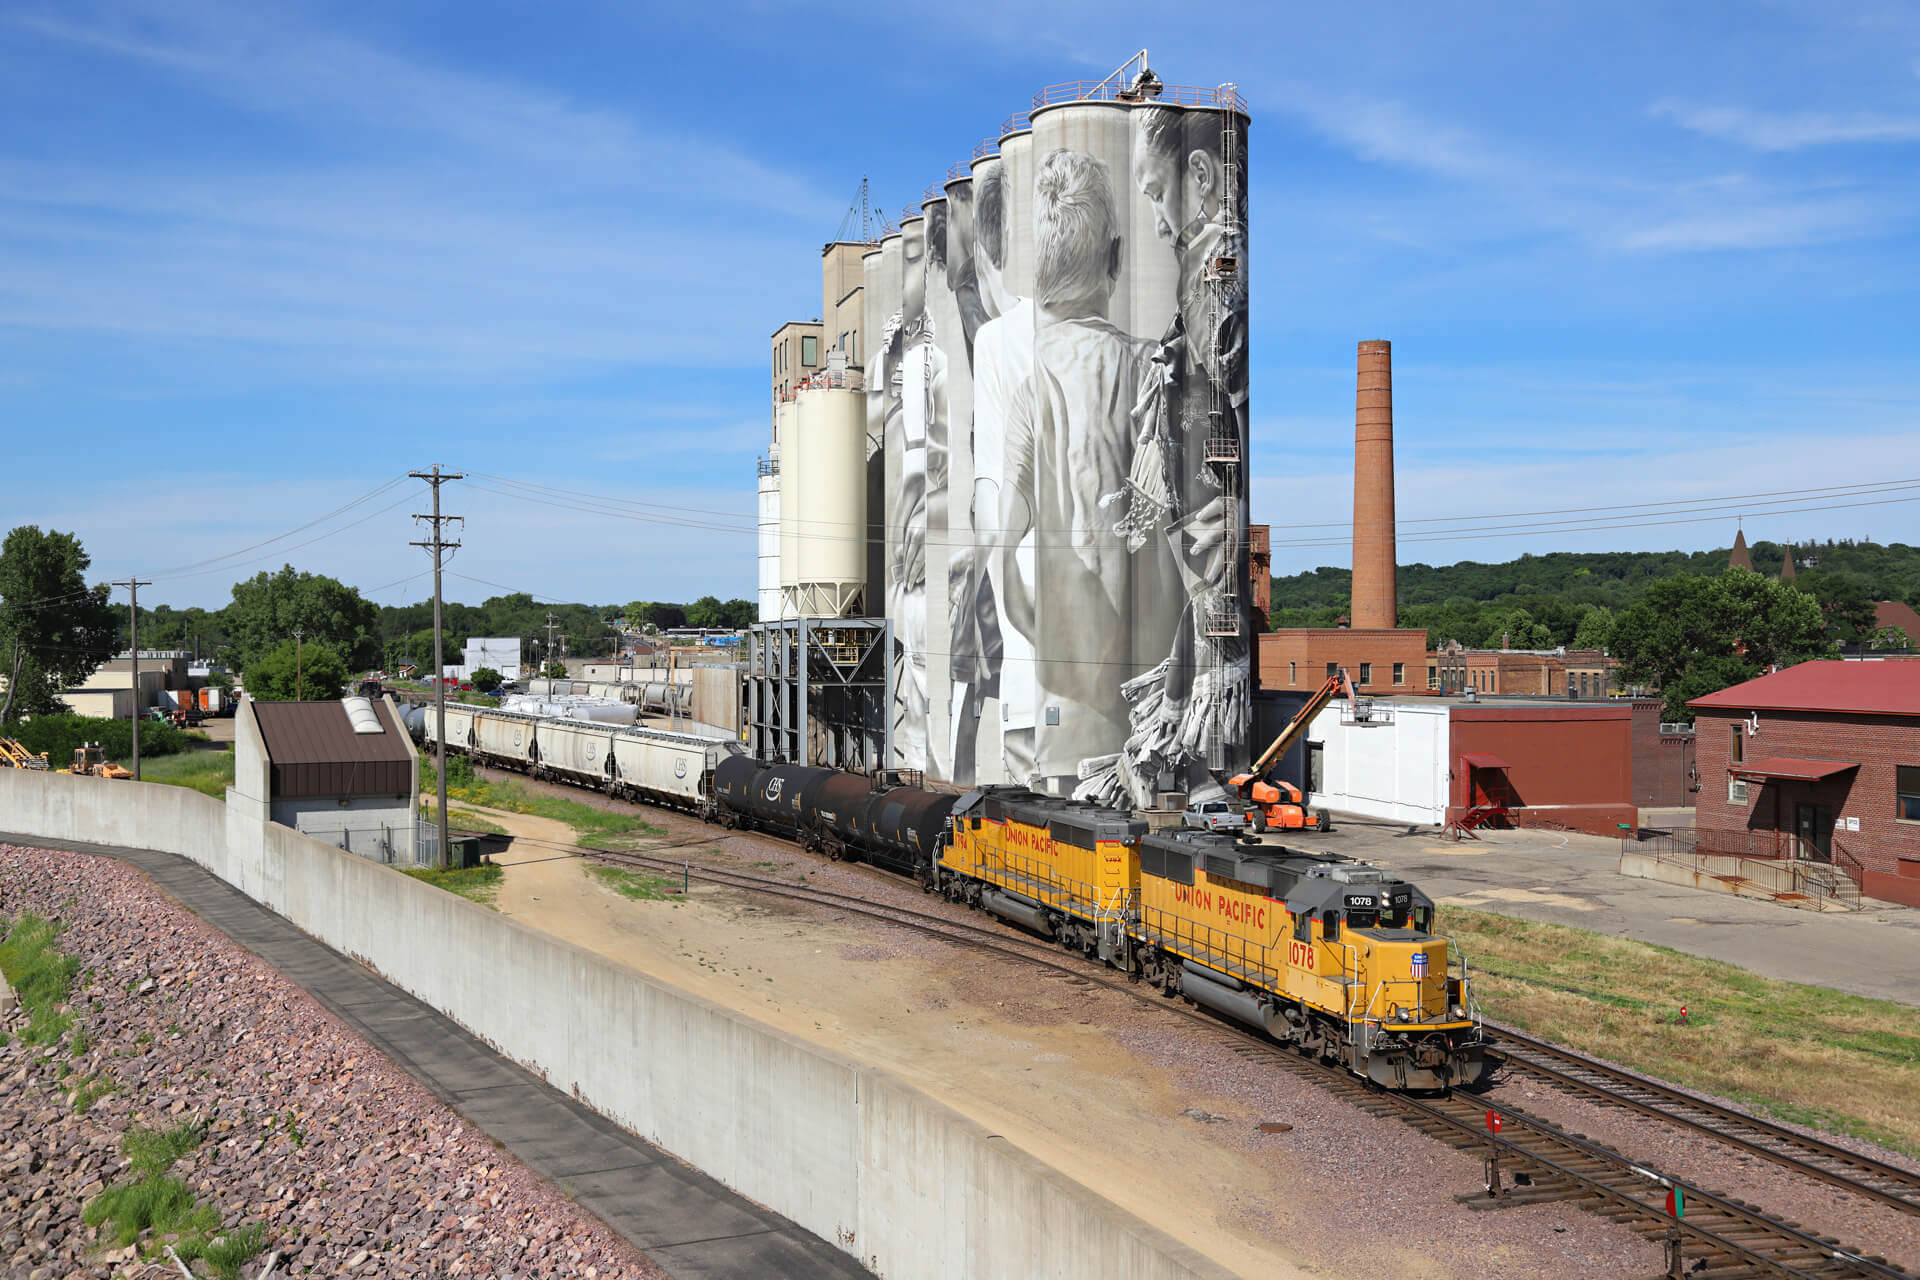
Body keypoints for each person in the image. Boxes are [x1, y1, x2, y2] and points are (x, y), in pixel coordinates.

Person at [1000, 149, 1174, 799]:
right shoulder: (1151, 369)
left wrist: (1038, 626)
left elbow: (999, 548)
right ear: (1117, 256)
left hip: (1065, 719)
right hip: (1150, 726)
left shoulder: (1031, 387)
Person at [1104, 105, 1252, 804]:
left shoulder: (1211, 272)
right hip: (1202, 542)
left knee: (1203, 673)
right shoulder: (1200, 272)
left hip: (1209, 537)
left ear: (1198, 172)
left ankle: (1185, 756)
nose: (1158, 223)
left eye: (1158, 196)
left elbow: (1219, 400)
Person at [964, 163, 1035, 785]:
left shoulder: (995, 340)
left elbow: (996, 485)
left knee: (1024, 672)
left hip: (1025, 557)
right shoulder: (1092, 335)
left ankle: (1021, 784)